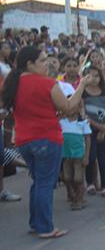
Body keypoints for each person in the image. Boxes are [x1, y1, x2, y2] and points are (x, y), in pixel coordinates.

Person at [1, 45, 96, 238]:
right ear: (30, 64)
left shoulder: (13, 83)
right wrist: (82, 86)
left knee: (38, 182)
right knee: (45, 183)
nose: (47, 64)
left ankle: (36, 223)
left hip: (24, 139)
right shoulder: (47, 83)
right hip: (46, 138)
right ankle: (45, 227)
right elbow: (69, 107)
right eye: (42, 61)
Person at [58, 75, 91, 210]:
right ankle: (72, 194)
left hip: (79, 155)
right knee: (67, 177)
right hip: (66, 156)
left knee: (78, 178)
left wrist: (87, 156)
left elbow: (88, 139)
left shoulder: (82, 123)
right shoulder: (61, 122)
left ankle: (79, 199)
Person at [81, 66, 105, 197]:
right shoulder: (83, 93)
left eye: (96, 76)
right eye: (90, 76)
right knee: (90, 156)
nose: (93, 79)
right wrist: (98, 127)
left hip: (104, 129)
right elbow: (84, 115)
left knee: (102, 158)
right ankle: (90, 183)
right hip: (89, 131)